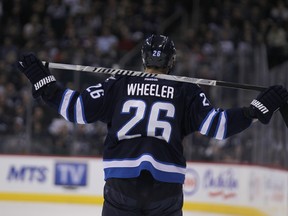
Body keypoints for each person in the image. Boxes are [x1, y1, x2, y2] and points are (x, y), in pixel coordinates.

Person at [17, 35, 288, 216]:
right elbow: (218, 126)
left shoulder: (118, 83)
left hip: (121, 185)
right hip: (165, 191)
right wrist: (255, 110)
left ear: (144, 59)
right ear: (171, 62)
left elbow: (74, 108)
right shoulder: (186, 90)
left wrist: (44, 83)